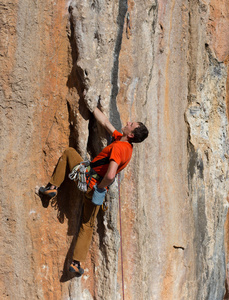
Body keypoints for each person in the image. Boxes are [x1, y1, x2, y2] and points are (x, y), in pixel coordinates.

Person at [39, 107, 148, 275]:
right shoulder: (124, 144)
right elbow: (105, 122)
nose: (127, 123)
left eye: (131, 124)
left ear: (131, 134)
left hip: (91, 181)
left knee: (69, 152)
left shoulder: (119, 148)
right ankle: (75, 264)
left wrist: (100, 188)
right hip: (94, 188)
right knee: (87, 224)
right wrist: (92, 105)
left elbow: (111, 174)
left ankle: (52, 187)